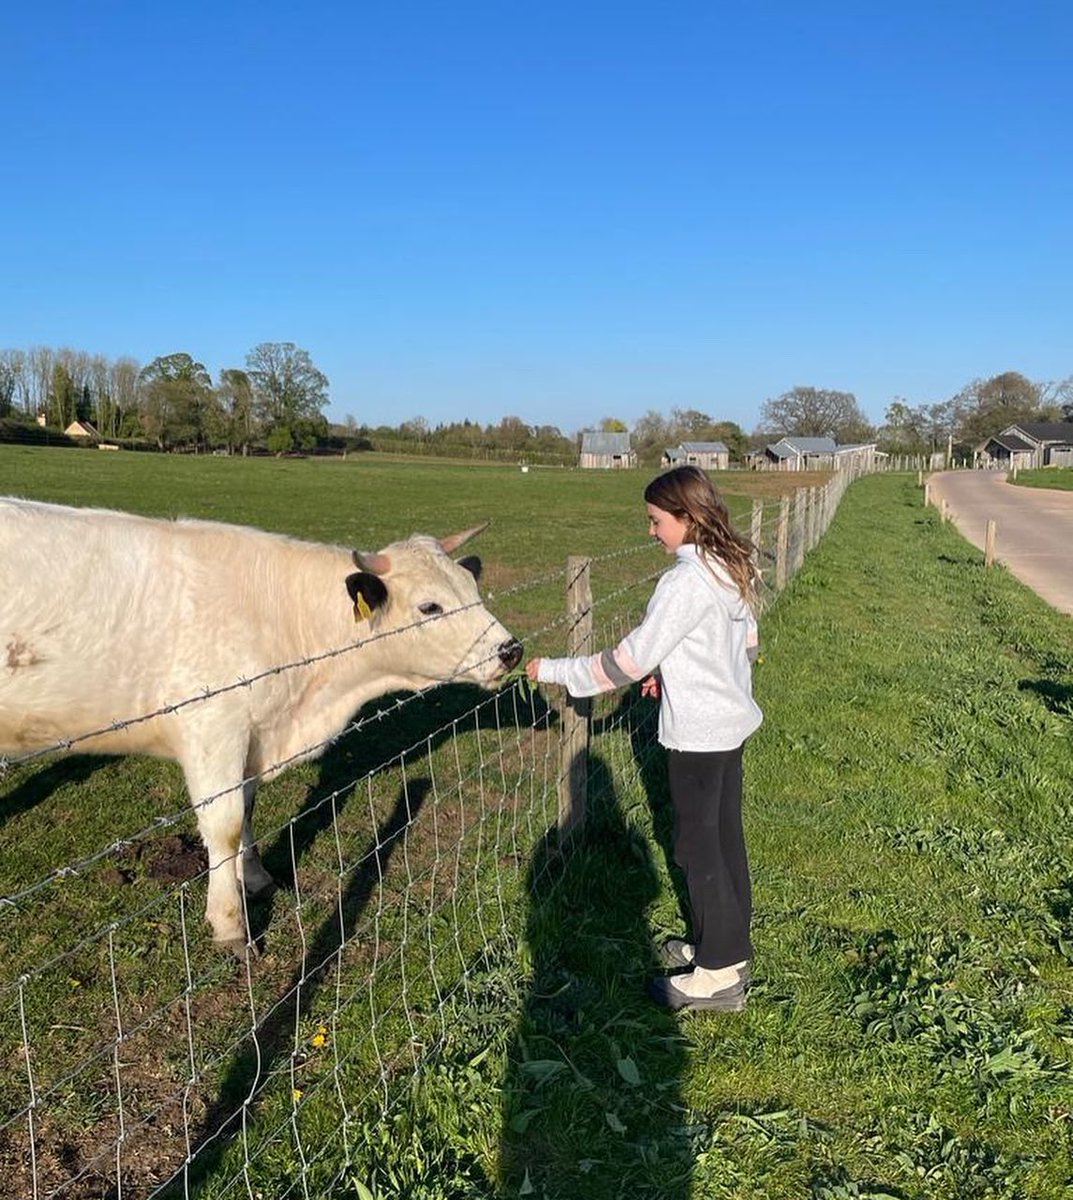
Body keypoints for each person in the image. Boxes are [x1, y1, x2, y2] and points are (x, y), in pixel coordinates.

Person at [525, 465, 762, 1012]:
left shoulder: (683, 581)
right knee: (724, 839)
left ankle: (718, 975)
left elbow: (624, 663)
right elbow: (745, 644)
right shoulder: (729, 566)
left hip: (700, 735)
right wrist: (680, 668)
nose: (651, 532)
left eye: (656, 521)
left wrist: (554, 670)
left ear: (687, 517)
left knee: (696, 847)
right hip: (731, 725)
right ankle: (726, 945)